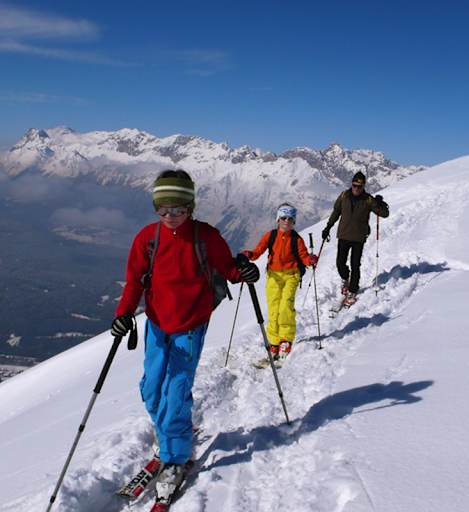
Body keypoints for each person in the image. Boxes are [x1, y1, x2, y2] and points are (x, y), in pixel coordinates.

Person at [110, 169, 259, 508]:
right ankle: (170, 432)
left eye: (178, 209)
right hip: (157, 324)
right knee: (151, 388)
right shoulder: (148, 239)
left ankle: (175, 455)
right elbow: (134, 282)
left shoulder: (205, 237)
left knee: (175, 391)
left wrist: (245, 271)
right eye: (163, 210)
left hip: (191, 326)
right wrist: (123, 314)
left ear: (191, 207)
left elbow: (228, 269)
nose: (171, 217)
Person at [241, 203, 318, 366]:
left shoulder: (297, 239)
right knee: (274, 309)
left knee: (285, 307)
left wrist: (309, 260)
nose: (286, 221)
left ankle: (285, 340)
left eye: (290, 219)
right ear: (278, 219)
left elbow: (303, 256)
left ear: (294, 221)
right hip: (273, 276)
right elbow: (258, 251)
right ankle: (273, 344)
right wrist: (249, 254)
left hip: (291, 275)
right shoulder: (271, 236)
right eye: (283, 218)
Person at [321, 171, 390, 306]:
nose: (356, 188)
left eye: (360, 186)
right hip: (343, 235)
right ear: (351, 184)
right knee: (340, 263)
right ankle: (345, 278)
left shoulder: (368, 200)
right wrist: (328, 227)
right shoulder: (344, 196)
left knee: (355, 264)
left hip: (359, 237)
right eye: (354, 185)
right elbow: (336, 212)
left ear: (363, 186)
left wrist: (380, 203)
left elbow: (384, 214)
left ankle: (353, 290)